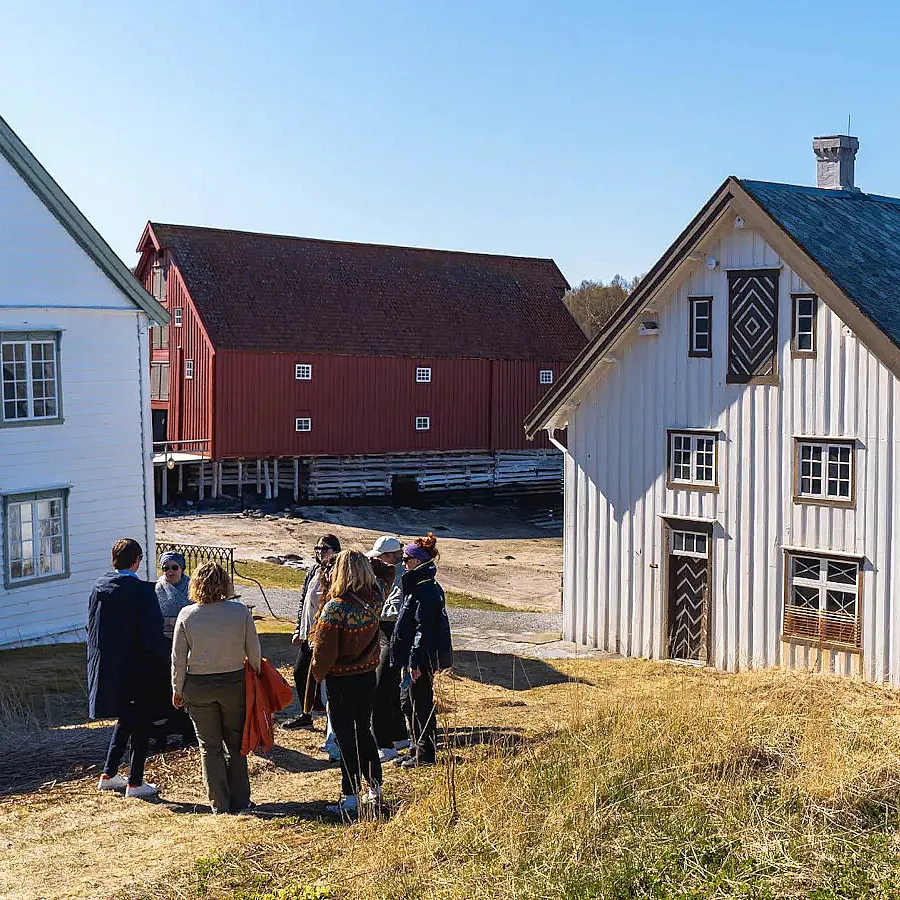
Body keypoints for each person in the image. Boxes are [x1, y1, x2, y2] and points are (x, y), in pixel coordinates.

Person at [171, 562, 262, 814]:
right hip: (234, 682)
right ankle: (241, 800)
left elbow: (178, 659)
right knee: (235, 743)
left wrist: (177, 689)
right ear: (225, 584)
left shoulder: (187, 614)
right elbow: (254, 651)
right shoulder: (239, 611)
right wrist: (257, 674)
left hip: (198, 684)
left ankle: (219, 803)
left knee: (209, 746)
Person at [88, 538, 170, 799]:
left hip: (108, 667)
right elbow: (151, 635)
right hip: (138, 668)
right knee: (142, 722)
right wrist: (168, 658)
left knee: (126, 720)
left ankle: (109, 774)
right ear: (136, 561)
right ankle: (135, 782)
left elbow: (91, 628)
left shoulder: (99, 588)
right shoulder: (142, 592)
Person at [309, 550, 383, 815]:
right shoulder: (375, 598)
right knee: (364, 730)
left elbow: (324, 653)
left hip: (340, 680)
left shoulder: (335, 608)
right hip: (366, 676)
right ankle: (375, 787)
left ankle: (350, 795)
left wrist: (316, 675)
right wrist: (370, 562)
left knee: (344, 737)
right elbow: (387, 571)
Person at [390, 533, 452, 769]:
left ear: (418, 561)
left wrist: (415, 663)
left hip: (419, 659)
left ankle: (426, 754)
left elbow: (423, 630)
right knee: (408, 703)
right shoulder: (416, 585)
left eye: (406, 559)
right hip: (411, 657)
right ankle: (416, 749)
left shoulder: (425, 589)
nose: (403, 563)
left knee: (421, 704)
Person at [283, 534, 340, 730]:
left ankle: (332, 721)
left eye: (324, 548)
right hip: (309, 633)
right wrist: (299, 629)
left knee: (327, 678)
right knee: (300, 672)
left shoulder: (338, 572)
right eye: (317, 549)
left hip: (326, 634)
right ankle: (306, 715)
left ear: (335, 551)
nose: (319, 552)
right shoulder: (313, 571)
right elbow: (304, 601)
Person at [366, 536, 409, 762]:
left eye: (380, 558)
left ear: (391, 557)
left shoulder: (399, 577)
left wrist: (371, 609)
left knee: (380, 688)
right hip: (387, 633)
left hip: (392, 633)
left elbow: (393, 609)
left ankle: (384, 744)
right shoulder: (391, 574)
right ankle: (399, 735)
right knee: (390, 687)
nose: (377, 563)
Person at [152, 551, 196, 750]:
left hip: (188, 643)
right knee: (163, 690)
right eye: (166, 568)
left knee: (185, 686)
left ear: (182, 568)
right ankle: (161, 735)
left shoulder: (192, 588)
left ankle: (189, 732)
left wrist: (176, 622)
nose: (170, 571)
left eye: (174, 567)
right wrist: (172, 622)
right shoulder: (158, 589)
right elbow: (153, 618)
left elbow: (197, 613)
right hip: (165, 643)